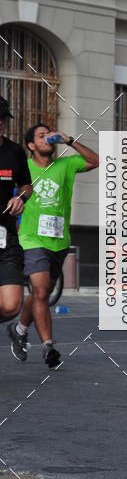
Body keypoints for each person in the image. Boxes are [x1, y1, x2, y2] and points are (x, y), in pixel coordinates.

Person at [7, 124, 99, 368]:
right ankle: (48, 346)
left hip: (59, 242)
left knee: (44, 292)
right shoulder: (23, 168)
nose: (47, 137)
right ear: (30, 146)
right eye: (40, 135)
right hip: (31, 239)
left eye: (49, 133)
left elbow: (96, 160)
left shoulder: (65, 165)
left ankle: (19, 329)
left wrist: (69, 140)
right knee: (39, 291)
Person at [0, 96, 32, 329]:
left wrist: (20, 198)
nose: (0, 123)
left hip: (6, 237)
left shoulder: (15, 152)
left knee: (11, 305)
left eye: (3, 119)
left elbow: (26, 186)